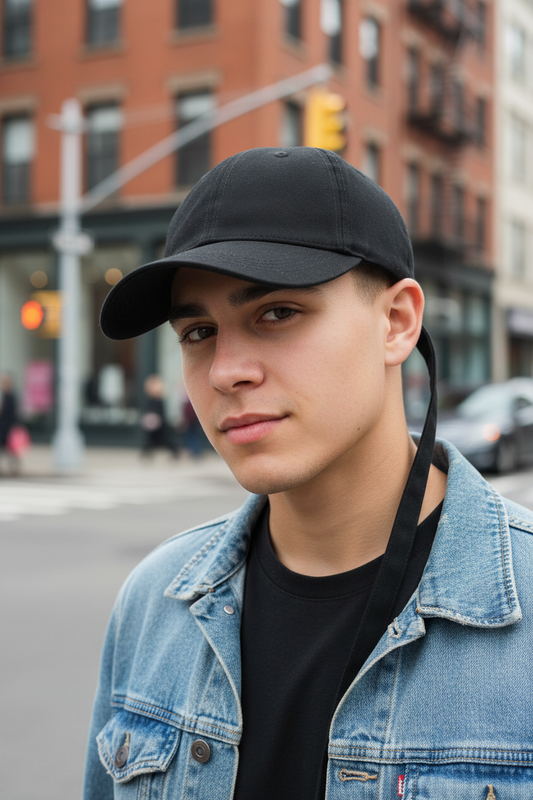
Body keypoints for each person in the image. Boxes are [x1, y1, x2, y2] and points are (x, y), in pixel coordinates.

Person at [84, 148, 533, 800]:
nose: (225, 371)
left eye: (276, 313)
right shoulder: (152, 604)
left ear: (396, 322)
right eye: (198, 332)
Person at [140, 374, 179, 458]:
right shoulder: (154, 399)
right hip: (154, 423)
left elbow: (158, 412)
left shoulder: (157, 400)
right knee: (152, 440)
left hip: (158, 423)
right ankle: (146, 453)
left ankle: (174, 451)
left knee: (162, 440)